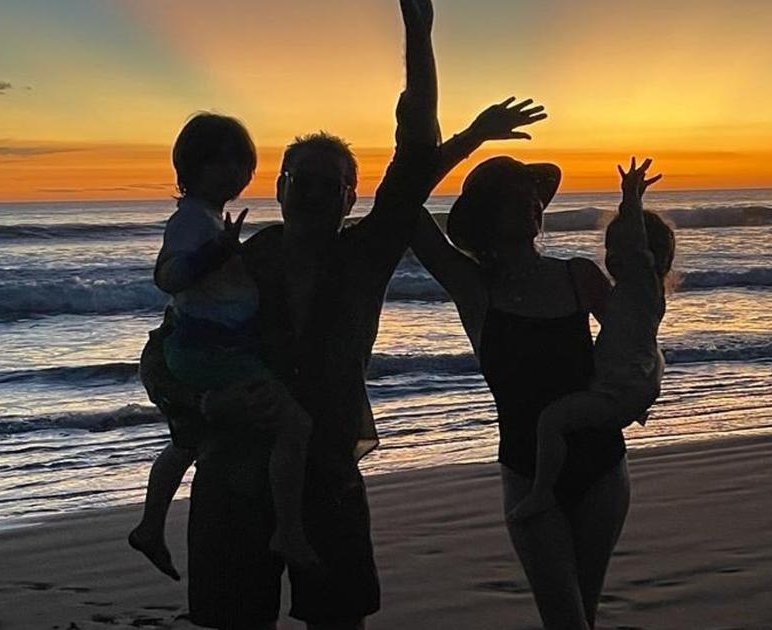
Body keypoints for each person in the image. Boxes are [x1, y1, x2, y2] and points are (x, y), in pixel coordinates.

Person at [138, 1, 548, 625]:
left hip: (327, 473)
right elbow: (162, 352)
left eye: (329, 183)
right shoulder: (238, 261)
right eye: (298, 179)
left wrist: (418, 34)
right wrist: (199, 406)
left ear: (351, 197)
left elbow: (413, 154)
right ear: (277, 189)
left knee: (339, 619)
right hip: (233, 474)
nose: (310, 192)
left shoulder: (365, 254)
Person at [411, 155, 630, 629]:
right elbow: (406, 206)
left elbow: (632, 344)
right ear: (487, 215)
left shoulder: (579, 276)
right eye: (514, 194)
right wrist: (469, 140)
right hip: (528, 473)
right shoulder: (474, 289)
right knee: (564, 619)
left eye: (532, 192)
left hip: (603, 466)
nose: (531, 200)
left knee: (583, 613)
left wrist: (630, 397)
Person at [129, 112, 320, 583]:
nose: (234, 172)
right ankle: (289, 531)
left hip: (208, 349)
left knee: (187, 439)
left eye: (242, 162)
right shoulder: (193, 220)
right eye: (221, 161)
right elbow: (169, 277)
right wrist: (214, 255)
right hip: (212, 353)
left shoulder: (208, 218)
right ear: (191, 166)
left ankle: (150, 526)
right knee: (294, 425)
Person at [508, 158, 674, 524]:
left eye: (619, 248)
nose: (612, 256)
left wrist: (630, 198)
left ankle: (541, 493)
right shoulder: (637, 294)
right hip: (634, 385)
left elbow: (635, 244)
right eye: (609, 247)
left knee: (551, 422)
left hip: (620, 392)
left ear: (648, 257)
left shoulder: (642, 284)